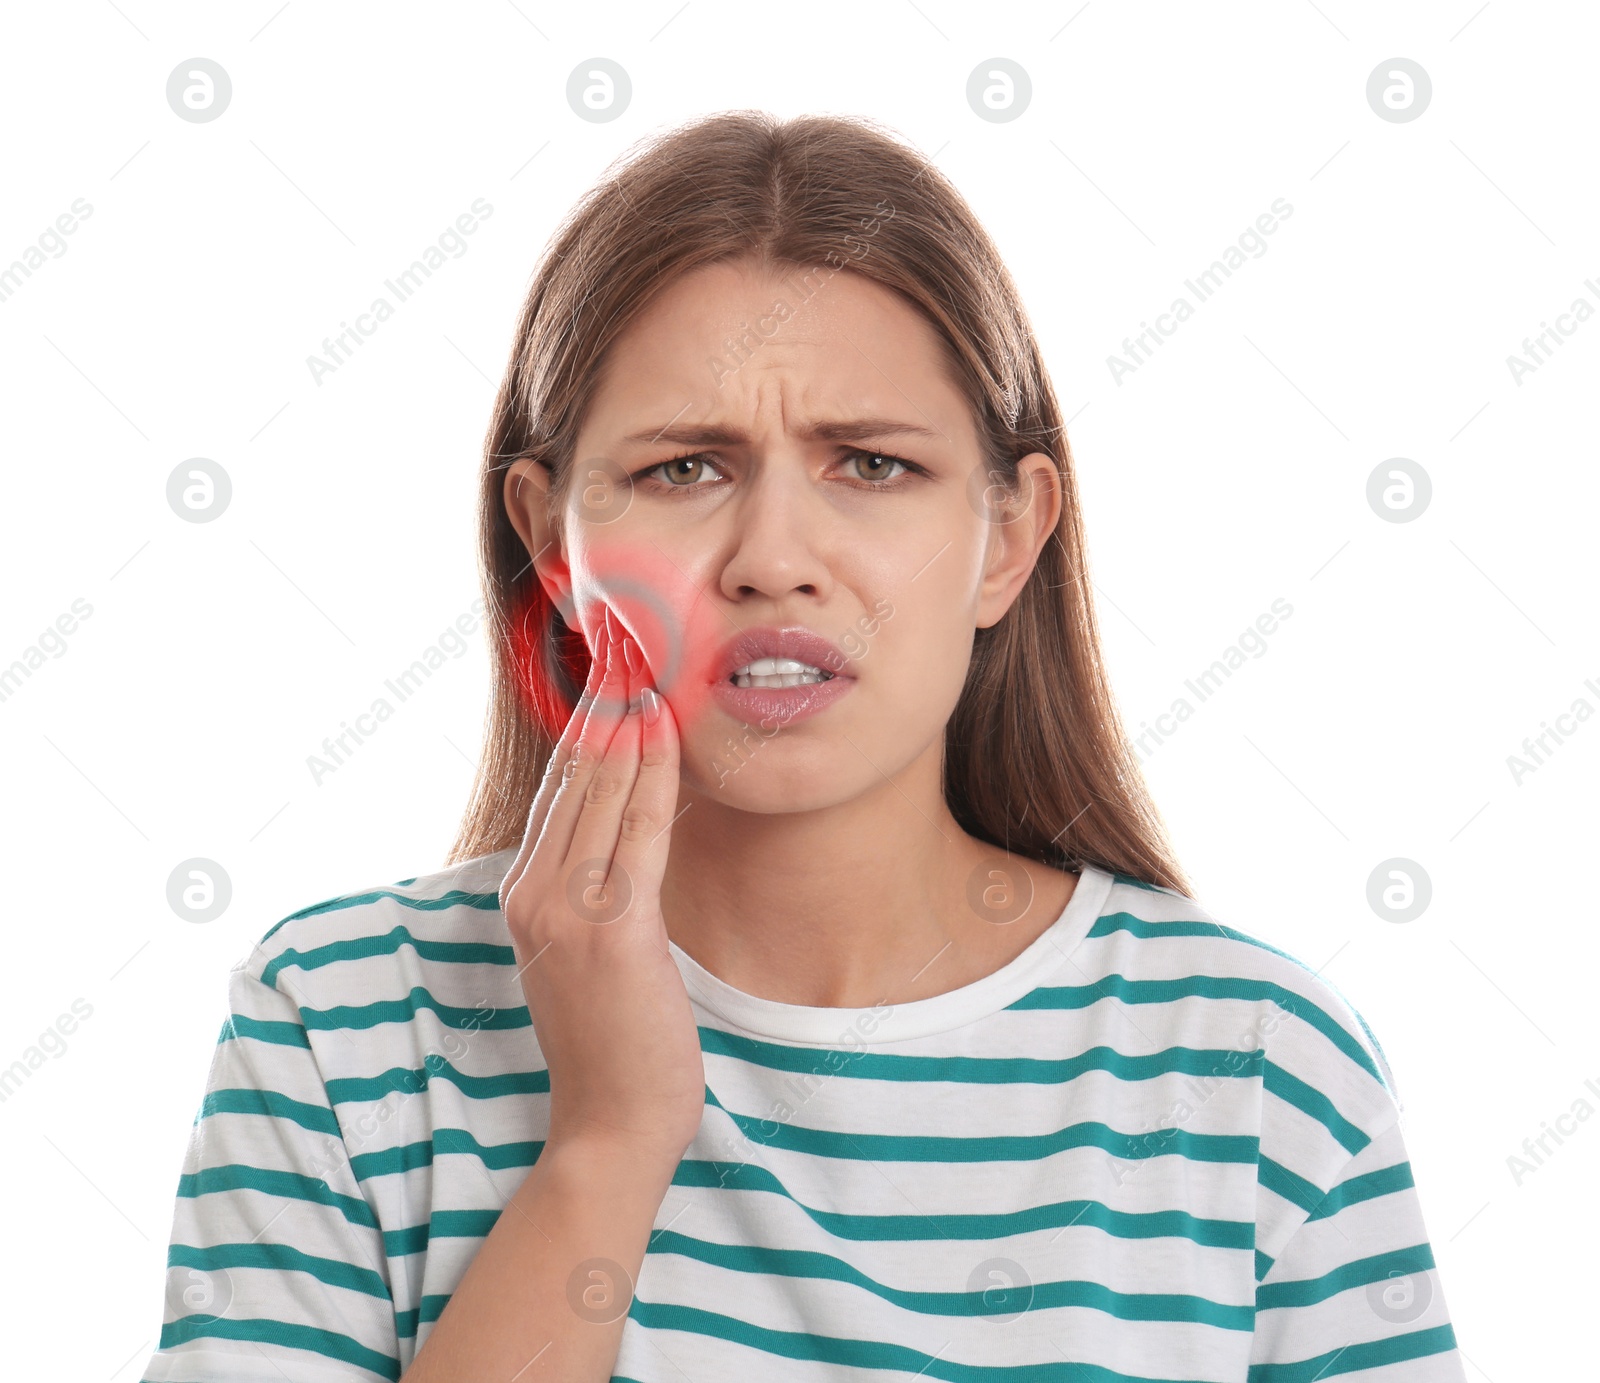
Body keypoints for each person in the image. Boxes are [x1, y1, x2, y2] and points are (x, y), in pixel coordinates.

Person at [139, 110, 1467, 1383]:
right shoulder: (340, 1024)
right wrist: (605, 1141)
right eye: (684, 469)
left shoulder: (1257, 1067)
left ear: (1007, 536)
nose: (774, 560)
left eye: (873, 465)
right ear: (554, 543)